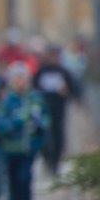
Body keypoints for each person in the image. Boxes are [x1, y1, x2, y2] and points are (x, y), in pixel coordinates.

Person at [0, 64, 47, 200]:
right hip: (10, 149)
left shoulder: (35, 99)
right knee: (14, 181)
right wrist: (17, 121)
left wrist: (39, 126)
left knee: (25, 178)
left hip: (29, 148)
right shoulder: (6, 101)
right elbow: (0, 124)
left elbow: (45, 119)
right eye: (16, 78)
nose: (20, 82)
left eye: (22, 78)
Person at [32, 47, 75, 178]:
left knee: (58, 138)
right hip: (44, 109)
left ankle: (55, 164)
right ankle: (48, 161)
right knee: (45, 137)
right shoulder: (41, 71)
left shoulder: (63, 72)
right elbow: (34, 88)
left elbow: (73, 88)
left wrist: (66, 91)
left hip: (59, 110)